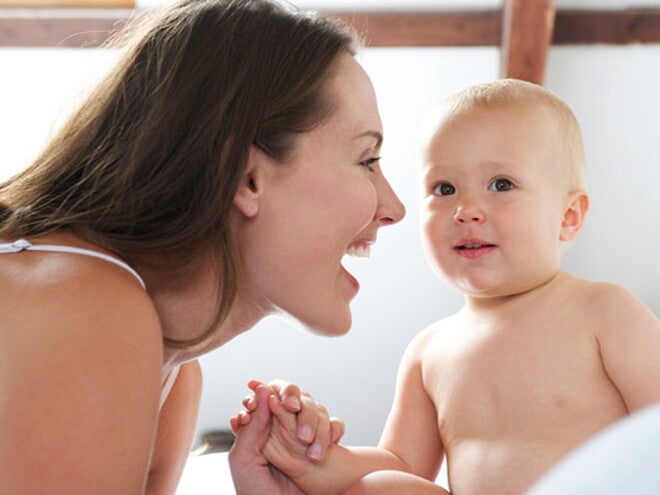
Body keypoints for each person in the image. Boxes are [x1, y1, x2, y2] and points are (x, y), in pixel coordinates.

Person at [0, 0, 405, 494]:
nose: (394, 207)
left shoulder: (171, 366)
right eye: (367, 160)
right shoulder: (84, 310)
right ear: (246, 177)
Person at [233, 78, 660, 495]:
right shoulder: (429, 352)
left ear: (568, 216)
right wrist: (308, 453)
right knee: (382, 485)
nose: (466, 210)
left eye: (501, 185)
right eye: (444, 188)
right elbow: (403, 463)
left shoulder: (605, 312)